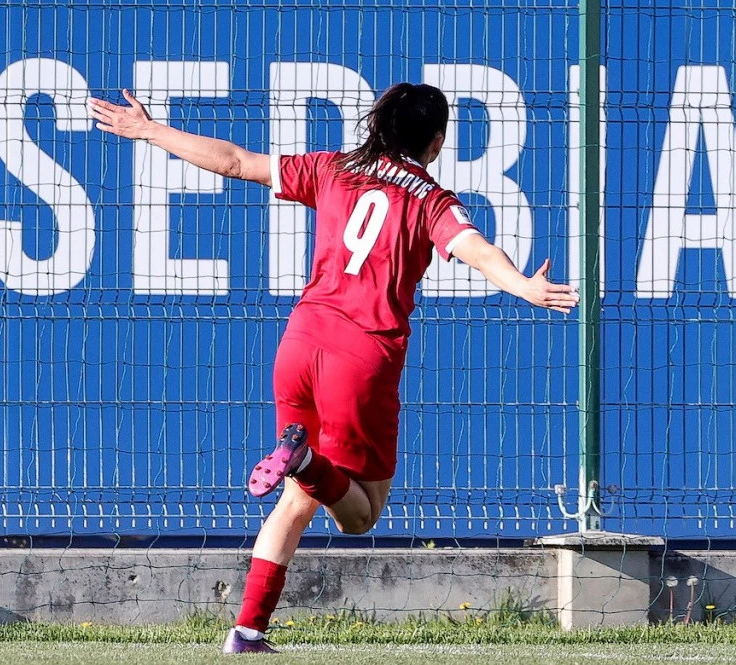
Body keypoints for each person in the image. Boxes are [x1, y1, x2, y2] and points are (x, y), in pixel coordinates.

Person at [89, 83, 579, 654]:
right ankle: (304, 460)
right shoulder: (431, 200)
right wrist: (523, 286)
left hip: (300, 345)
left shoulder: (333, 169)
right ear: (437, 142)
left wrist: (149, 130)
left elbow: (235, 161)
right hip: (360, 359)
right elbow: (475, 248)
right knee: (359, 516)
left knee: (297, 498)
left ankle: (246, 630)